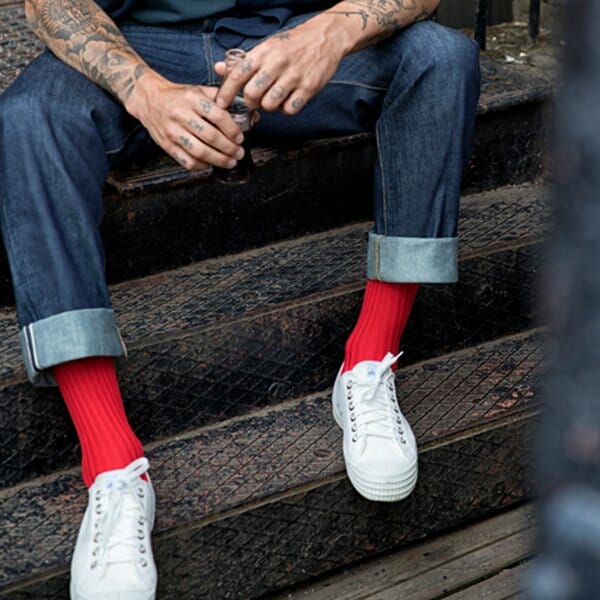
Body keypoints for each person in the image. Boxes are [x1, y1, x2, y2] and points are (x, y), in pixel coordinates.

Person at [0, 0, 480, 597]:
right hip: (144, 48)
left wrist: (330, 31)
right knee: (29, 116)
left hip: (292, 42)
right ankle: (111, 463)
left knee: (442, 57)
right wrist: (146, 92)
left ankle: (367, 361)